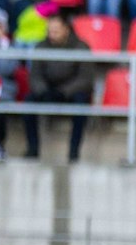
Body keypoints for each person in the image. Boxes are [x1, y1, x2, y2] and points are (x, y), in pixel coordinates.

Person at [22, 12, 95, 162]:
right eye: (49, 31)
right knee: (28, 102)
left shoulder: (81, 47)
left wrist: (63, 92)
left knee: (81, 104)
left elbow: (85, 79)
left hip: (71, 91)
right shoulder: (41, 46)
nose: (52, 34)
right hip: (47, 89)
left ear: (66, 29)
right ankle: (33, 148)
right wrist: (43, 91)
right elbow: (34, 75)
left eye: (56, 31)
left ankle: (74, 152)